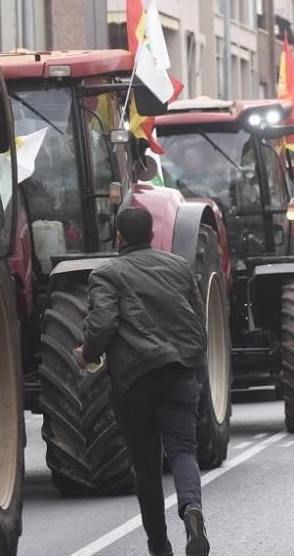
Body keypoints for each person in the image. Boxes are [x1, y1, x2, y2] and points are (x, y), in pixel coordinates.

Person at [74, 207, 211, 556]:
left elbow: (103, 324)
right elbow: (197, 319)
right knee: (183, 451)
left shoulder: (107, 273)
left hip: (135, 380)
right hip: (180, 372)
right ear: (151, 234)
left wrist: (87, 353)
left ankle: (159, 547)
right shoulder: (179, 267)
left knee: (146, 466)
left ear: (118, 236)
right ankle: (192, 509)